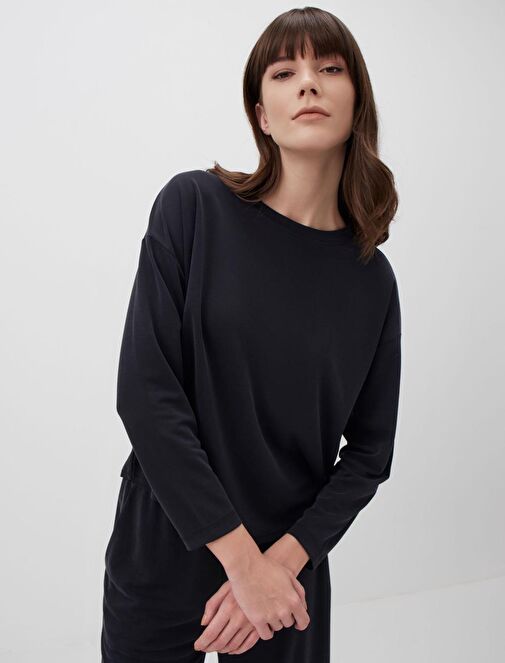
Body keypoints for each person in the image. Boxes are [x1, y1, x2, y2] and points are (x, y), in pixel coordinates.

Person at [101, 7, 402, 662]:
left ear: (357, 103)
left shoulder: (372, 280)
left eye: (330, 68)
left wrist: (277, 567)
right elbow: (146, 394)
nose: (308, 83)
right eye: (284, 71)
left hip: (287, 569)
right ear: (262, 115)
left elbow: (369, 453)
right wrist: (243, 565)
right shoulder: (193, 208)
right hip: (164, 547)